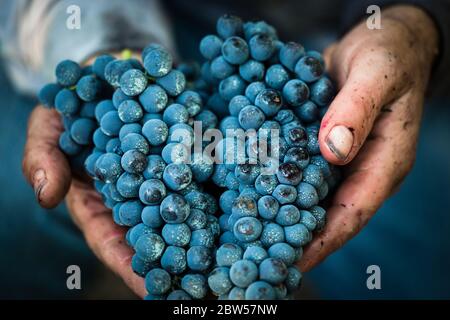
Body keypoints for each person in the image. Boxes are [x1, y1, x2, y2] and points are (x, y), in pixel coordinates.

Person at [1, 0, 449, 298]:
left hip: (339, 42)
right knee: (16, 210)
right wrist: (100, 48)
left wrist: (417, 21)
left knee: (425, 218)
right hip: (118, 20)